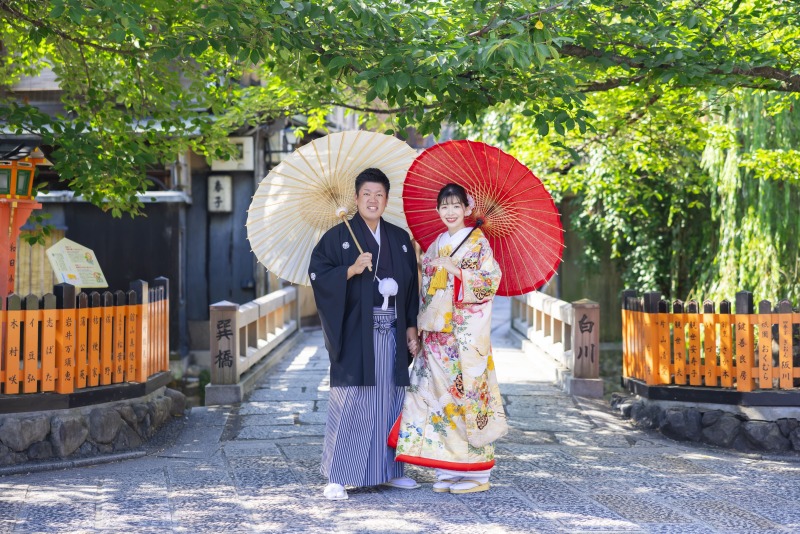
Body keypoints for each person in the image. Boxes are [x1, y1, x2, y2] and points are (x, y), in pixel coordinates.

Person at [309, 167, 421, 501]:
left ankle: (389, 471)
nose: (373, 200)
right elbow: (318, 273)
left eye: (379, 195)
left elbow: (412, 288)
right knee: (354, 398)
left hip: (393, 329)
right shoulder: (337, 236)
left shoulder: (400, 239)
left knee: (390, 398)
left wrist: (411, 328)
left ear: (387, 199)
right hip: (358, 330)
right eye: (366, 194)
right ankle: (338, 474)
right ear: (356, 199)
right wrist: (350, 270)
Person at [390, 183, 507, 494]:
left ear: (467, 210)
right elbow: (427, 290)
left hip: (461, 338)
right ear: (438, 210)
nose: (450, 211)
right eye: (444, 206)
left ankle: (477, 473)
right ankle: (448, 469)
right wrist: (420, 330)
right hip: (435, 338)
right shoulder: (436, 243)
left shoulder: (478, 243)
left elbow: (489, 282)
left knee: (464, 400)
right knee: (438, 404)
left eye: (456, 206)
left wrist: (457, 271)